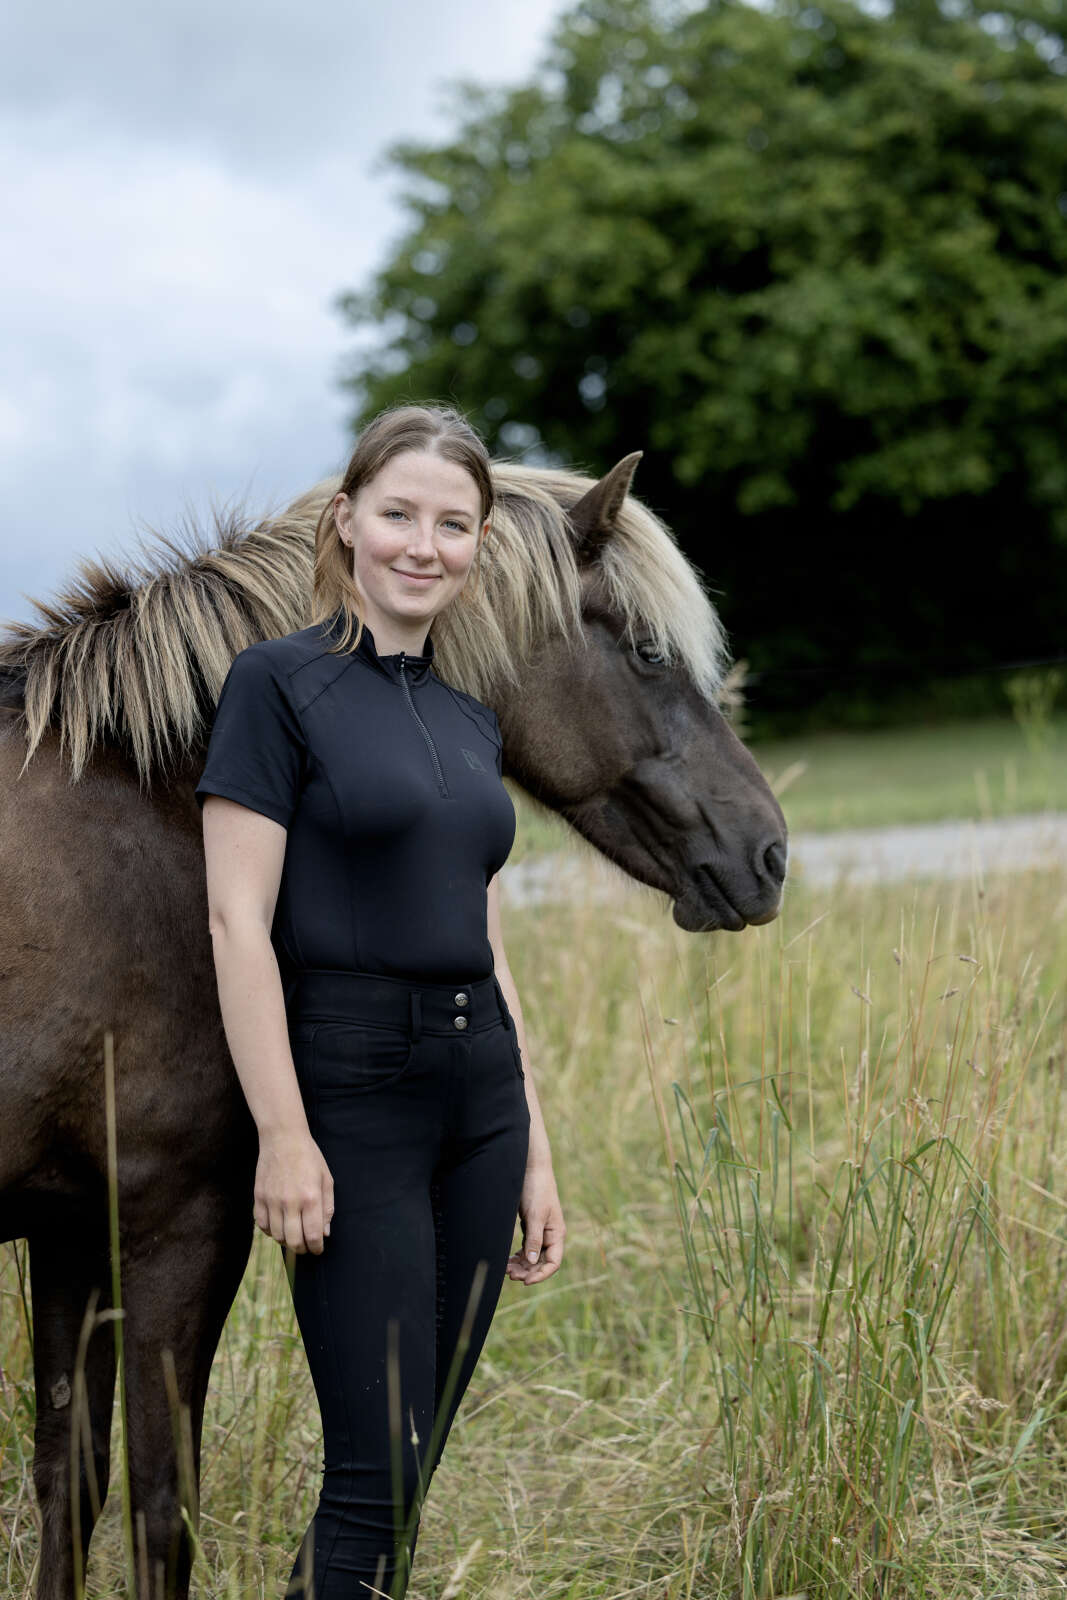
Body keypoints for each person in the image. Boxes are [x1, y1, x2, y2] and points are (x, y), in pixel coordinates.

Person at [195, 403, 566, 1598]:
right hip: (353, 1094)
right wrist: (285, 1134)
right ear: (345, 519)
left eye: (452, 523)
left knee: (415, 1461)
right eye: (399, 513)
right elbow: (234, 922)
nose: (424, 543)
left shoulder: (470, 719)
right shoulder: (276, 686)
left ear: (477, 543)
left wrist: (534, 1146)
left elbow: (485, 933)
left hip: (481, 1098)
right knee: (373, 1468)